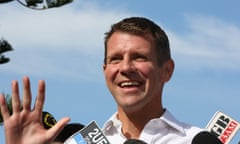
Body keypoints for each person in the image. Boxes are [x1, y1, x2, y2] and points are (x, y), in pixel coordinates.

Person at [0, 17, 202, 144]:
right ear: (105, 71)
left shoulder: (196, 140)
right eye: (115, 59)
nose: (125, 68)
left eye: (139, 57)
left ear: (166, 70)